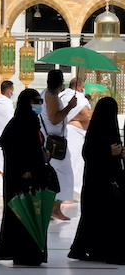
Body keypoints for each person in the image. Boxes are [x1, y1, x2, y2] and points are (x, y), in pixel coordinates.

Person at [0, 89, 50, 267]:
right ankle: (23, 253)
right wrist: (23, 169)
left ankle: (32, 253)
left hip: (34, 176)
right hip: (21, 178)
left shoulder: (33, 121)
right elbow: (10, 146)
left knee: (33, 213)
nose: (39, 105)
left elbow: (32, 147)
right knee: (22, 213)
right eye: (36, 101)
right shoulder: (19, 122)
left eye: (40, 101)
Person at [68, 96, 125, 264]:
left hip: (107, 182)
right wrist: (109, 153)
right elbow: (89, 154)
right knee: (99, 217)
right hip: (97, 183)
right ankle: (99, 251)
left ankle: (97, 250)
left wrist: (119, 153)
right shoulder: (96, 132)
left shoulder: (110, 129)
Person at [41, 69, 77, 220]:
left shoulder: (48, 94)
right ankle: (54, 208)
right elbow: (54, 119)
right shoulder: (51, 96)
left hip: (53, 141)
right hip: (54, 144)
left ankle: (52, 208)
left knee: (57, 176)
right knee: (62, 176)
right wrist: (70, 106)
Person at [62, 77, 91, 196]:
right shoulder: (76, 97)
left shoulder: (63, 96)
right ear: (78, 88)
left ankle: (68, 193)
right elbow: (88, 116)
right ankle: (68, 194)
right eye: (83, 87)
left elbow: (71, 115)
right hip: (73, 134)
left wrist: (73, 117)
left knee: (75, 163)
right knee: (73, 164)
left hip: (73, 133)